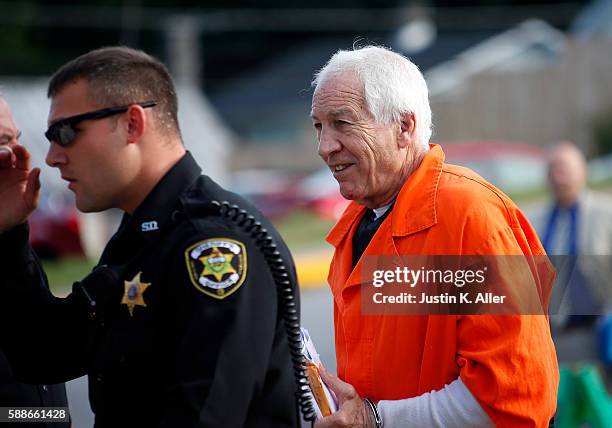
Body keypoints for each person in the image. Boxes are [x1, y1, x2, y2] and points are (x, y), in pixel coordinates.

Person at [0, 46, 300, 427]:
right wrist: (9, 232)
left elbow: (206, 416)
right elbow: (43, 353)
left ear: (132, 124)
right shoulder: (144, 236)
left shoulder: (213, 243)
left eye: (65, 132)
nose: (53, 156)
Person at [309, 46, 558, 427]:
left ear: (404, 127)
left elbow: (514, 397)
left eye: (342, 123)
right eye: (319, 126)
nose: (325, 146)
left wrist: (376, 420)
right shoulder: (358, 223)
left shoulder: (471, 216)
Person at [0, 96, 69, 428]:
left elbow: (44, 349)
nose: (16, 156)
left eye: (15, 139)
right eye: (1, 144)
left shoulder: (9, 244)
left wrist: (10, 232)